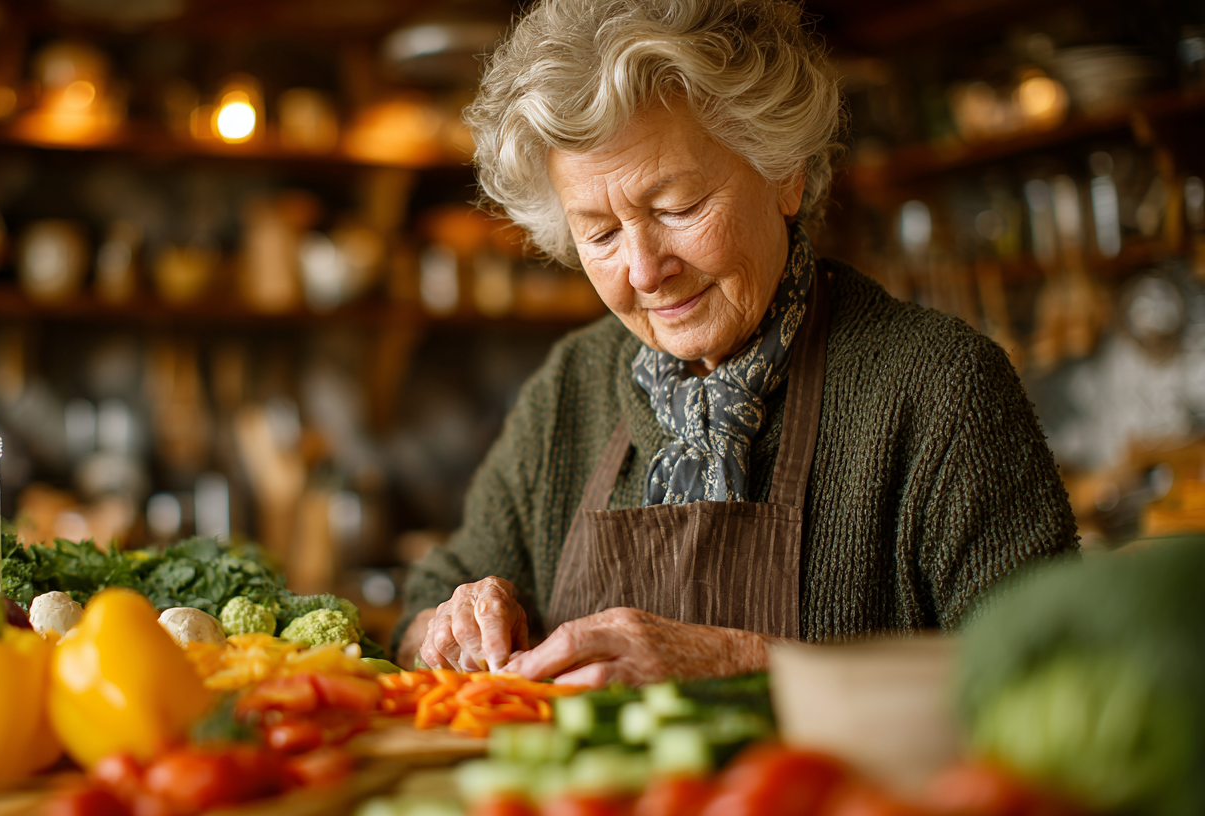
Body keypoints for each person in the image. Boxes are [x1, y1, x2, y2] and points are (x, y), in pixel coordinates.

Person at [394, 0, 1077, 686]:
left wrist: (746, 666)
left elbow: (1052, 679)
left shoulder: (940, 387)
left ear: (785, 172)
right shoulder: (571, 385)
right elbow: (419, 612)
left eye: (678, 207)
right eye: (600, 233)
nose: (643, 269)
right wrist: (452, 623)